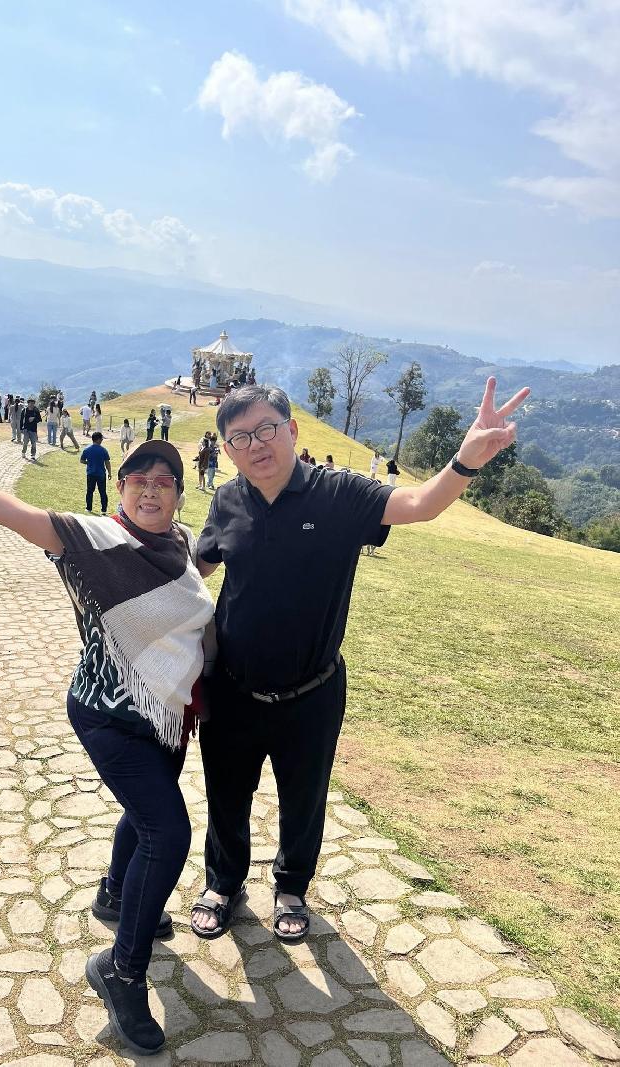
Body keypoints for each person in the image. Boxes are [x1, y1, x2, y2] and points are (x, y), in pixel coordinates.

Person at [0, 434, 214, 1057]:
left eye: (165, 482)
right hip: (109, 715)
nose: (151, 491)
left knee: (145, 813)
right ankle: (122, 972)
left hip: (165, 711)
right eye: (139, 480)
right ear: (121, 489)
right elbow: (15, 513)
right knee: (168, 833)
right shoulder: (94, 540)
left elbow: (190, 586)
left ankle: (115, 893)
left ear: (179, 496)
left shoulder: (177, 545)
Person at [189, 377, 529, 942]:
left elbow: (419, 505)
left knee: (305, 797)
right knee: (226, 793)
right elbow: (197, 569)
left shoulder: (339, 494)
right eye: (240, 437)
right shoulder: (227, 500)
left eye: (266, 429)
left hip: (312, 692)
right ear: (227, 449)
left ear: (292, 430)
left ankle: (291, 887)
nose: (256, 445)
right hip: (233, 688)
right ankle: (224, 883)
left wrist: (466, 460)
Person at [80, 431, 112, 515]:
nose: (102, 440)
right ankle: (104, 510)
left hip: (90, 473)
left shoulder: (87, 449)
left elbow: (82, 460)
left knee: (90, 491)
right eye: (101, 438)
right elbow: (107, 462)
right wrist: (109, 473)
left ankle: (88, 508)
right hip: (101, 474)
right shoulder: (103, 450)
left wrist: (88, 463)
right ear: (98, 439)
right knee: (103, 492)